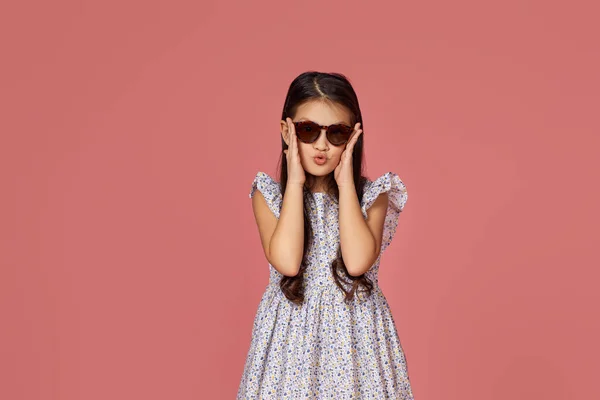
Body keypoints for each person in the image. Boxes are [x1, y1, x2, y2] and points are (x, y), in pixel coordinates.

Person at [237, 71, 415, 399]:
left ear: (353, 137)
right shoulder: (270, 195)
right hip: (289, 341)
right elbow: (288, 263)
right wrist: (295, 183)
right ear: (286, 131)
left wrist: (347, 185)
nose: (322, 145)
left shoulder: (374, 195)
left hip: (356, 340)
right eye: (307, 130)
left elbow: (358, 262)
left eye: (336, 133)